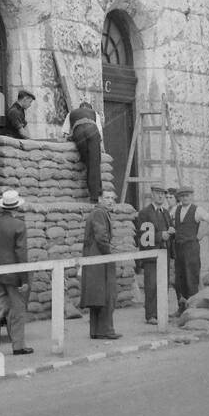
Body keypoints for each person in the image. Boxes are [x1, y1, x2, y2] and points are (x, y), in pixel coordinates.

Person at [0, 190, 34, 357]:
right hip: (13, 275)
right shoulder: (19, 225)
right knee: (17, 309)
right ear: (17, 206)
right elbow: (21, 253)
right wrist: (24, 279)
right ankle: (18, 346)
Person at [167, 185, 209, 308]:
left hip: (191, 248)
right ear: (179, 198)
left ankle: (193, 309)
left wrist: (202, 234)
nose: (185, 198)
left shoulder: (197, 210)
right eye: (182, 196)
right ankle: (182, 309)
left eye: (187, 196)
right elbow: (168, 222)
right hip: (179, 248)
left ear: (191, 196)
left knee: (191, 278)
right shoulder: (175, 210)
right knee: (179, 279)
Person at [79, 192, 119, 339]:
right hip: (99, 259)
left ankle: (96, 331)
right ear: (100, 199)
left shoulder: (99, 212)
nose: (110, 201)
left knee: (98, 297)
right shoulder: (99, 213)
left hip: (94, 259)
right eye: (107, 198)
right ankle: (106, 330)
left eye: (112, 198)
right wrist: (110, 252)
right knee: (107, 295)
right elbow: (101, 237)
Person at [134, 184, 171, 324]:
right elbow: (143, 236)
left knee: (163, 284)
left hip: (164, 254)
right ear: (152, 195)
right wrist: (161, 235)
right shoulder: (145, 213)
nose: (161, 196)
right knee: (151, 285)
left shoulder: (165, 212)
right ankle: (150, 315)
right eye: (158, 193)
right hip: (151, 255)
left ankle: (162, 312)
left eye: (163, 193)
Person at [65, 101, 104, 203]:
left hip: (78, 132)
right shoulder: (94, 114)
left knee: (86, 160)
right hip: (92, 130)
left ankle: (94, 189)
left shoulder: (72, 113)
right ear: (90, 108)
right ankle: (95, 195)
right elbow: (99, 132)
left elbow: (64, 132)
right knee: (94, 162)